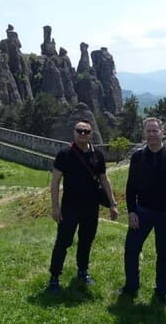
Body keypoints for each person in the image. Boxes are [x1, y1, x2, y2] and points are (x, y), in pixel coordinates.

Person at [119, 117, 166, 306]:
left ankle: (161, 293)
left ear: (162, 132)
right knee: (131, 249)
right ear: (144, 134)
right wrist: (131, 211)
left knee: (164, 254)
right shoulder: (137, 156)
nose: (151, 134)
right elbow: (130, 187)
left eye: (155, 131)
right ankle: (131, 286)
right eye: (148, 131)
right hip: (142, 211)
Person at [47, 119, 118, 292]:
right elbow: (55, 181)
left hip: (91, 207)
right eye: (80, 130)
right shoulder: (64, 154)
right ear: (74, 132)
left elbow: (104, 179)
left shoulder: (98, 155)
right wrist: (55, 207)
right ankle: (54, 277)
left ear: (91, 133)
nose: (83, 134)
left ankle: (82, 272)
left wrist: (112, 203)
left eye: (86, 131)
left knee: (86, 241)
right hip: (70, 206)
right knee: (63, 242)